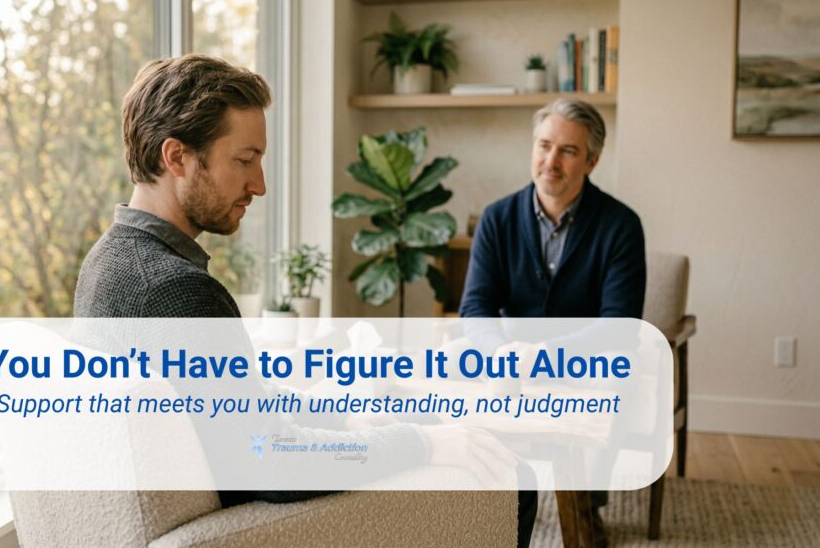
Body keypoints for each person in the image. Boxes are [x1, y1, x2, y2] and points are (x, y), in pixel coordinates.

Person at [73, 55, 525, 540]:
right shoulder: (175, 290)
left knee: (414, 417)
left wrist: (348, 415)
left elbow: (233, 411)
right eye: (244, 161)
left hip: (211, 503)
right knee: (511, 477)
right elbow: (270, 462)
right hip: (246, 523)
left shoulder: (107, 262)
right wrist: (421, 445)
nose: (260, 185)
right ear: (177, 156)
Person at [460, 98, 647, 547]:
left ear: (592, 160)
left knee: (623, 376)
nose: (551, 161)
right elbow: (475, 307)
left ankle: (585, 503)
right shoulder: (497, 219)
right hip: (510, 359)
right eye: (544, 145)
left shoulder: (621, 225)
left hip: (585, 358)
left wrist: (543, 357)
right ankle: (494, 494)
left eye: (568, 151)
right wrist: (499, 355)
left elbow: (621, 325)